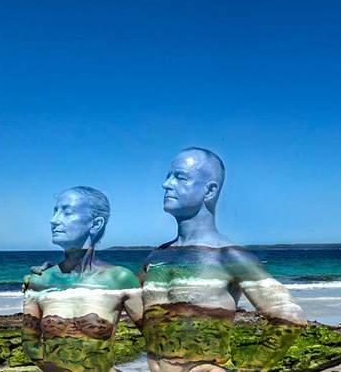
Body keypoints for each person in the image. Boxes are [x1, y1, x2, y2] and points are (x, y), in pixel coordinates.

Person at [139, 147, 306, 372]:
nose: (166, 184)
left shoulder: (229, 257)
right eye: (168, 176)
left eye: (180, 177)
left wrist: (249, 369)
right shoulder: (156, 257)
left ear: (209, 191)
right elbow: (123, 298)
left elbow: (290, 317)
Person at [22, 186, 142, 372]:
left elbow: (158, 339)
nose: (54, 220)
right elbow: (30, 344)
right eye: (55, 212)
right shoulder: (40, 281)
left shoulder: (119, 279)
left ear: (95, 224)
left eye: (67, 212)